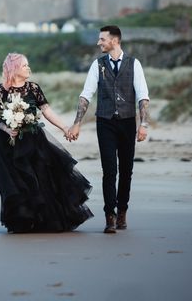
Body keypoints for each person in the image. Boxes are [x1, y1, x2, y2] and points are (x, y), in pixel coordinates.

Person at [0, 53, 94, 233]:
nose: (28, 68)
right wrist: (6, 128)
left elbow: (47, 111)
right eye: (24, 66)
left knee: (40, 179)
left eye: (28, 65)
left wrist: (64, 128)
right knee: (14, 182)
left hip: (32, 140)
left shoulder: (33, 88)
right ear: (14, 69)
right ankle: (21, 221)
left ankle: (43, 220)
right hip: (6, 143)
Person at [68, 25, 150, 234]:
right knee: (109, 171)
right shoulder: (98, 65)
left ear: (114, 40)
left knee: (126, 171)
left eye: (102, 39)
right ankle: (110, 216)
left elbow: (142, 95)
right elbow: (86, 94)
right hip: (105, 122)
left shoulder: (134, 64)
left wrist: (144, 125)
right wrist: (77, 122)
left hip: (127, 122)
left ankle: (122, 211)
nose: (99, 43)